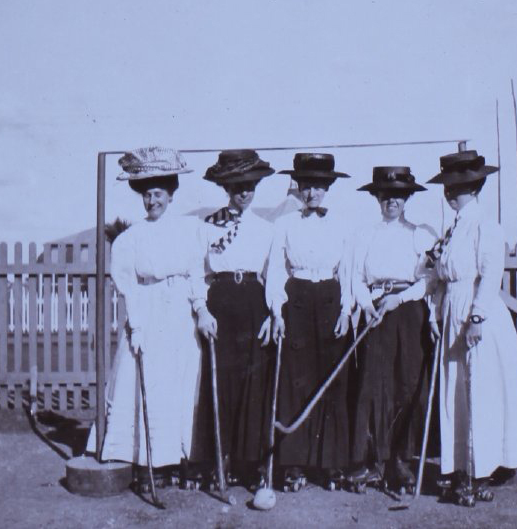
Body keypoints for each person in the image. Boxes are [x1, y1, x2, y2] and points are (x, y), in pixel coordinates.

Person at [87, 146, 211, 492]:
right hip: (150, 312)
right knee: (149, 387)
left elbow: (196, 275)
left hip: (180, 315)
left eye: (158, 193)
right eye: (146, 194)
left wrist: (200, 309)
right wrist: (138, 327)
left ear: (171, 194)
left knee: (180, 387)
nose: (151, 201)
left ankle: (179, 461)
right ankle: (147, 465)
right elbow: (130, 288)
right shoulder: (130, 239)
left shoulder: (190, 230)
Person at [427, 150, 517, 505]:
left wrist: (477, 317)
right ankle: (459, 467)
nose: (451, 194)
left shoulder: (485, 226)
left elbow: (491, 273)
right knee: (455, 392)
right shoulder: (454, 228)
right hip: (452, 310)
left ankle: (480, 471)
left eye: (458, 188)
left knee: (479, 390)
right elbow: (439, 274)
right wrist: (435, 311)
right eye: (448, 187)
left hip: (477, 314)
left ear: (474, 187)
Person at [345, 167, 438, 494]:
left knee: (408, 384)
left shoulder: (421, 234)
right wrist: (367, 304)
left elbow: (430, 279)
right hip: (376, 313)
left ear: (407, 197)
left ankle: (402, 459)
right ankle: (373, 461)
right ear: (377, 198)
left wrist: (400, 298)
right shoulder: (364, 235)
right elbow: (355, 276)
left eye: (398, 194)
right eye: (385, 195)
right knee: (374, 385)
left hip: (409, 311)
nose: (392, 201)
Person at [265, 153, 353, 492]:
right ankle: (294, 465)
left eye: (318, 185)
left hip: (330, 298)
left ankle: (330, 464)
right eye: (306, 185)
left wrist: (346, 310)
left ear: (328, 186)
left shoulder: (342, 224)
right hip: (297, 299)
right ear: (298, 188)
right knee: (296, 380)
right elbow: (275, 269)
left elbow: (347, 269)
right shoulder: (284, 225)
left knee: (330, 381)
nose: (312, 191)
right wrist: (277, 311)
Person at [194, 149, 276, 490]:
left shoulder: (266, 229)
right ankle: (219, 460)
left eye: (250, 185)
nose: (244, 192)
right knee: (221, 382)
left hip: (255, 302)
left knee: (254, 384)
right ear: (226, 188)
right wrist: (202, 309)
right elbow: (197, 273)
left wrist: (274, 313)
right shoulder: (207, 226)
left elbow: (274, 275)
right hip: (221, 302)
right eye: (237, 186)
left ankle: (252, 463)